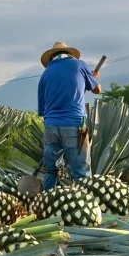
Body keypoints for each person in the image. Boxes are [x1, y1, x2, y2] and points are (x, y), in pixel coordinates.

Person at [36, 40, 101, 190]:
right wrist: (94, 79)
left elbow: (42, 110)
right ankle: (84, 206)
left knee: (51, 170)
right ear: (68, 53)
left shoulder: (45, 74)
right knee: (81, 171)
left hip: (51, 126)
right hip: (78, 124)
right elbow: (97, 90)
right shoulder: (79, 65)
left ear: (52, 56)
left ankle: (47, 204)